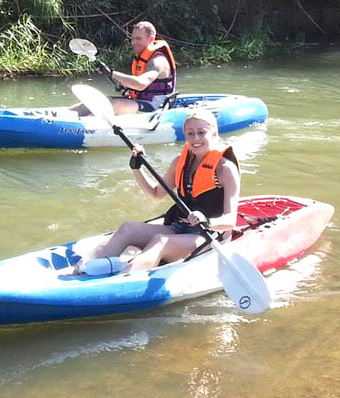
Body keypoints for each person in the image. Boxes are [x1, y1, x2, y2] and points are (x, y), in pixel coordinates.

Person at [73, 109, 241, 274]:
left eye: (201, 132)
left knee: (160, 241)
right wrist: (137, 168)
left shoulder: (225, 169)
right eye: (190, 133)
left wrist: (207, 221)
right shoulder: (180, 163)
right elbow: (155, 194)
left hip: (208, 235)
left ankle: (120, 280)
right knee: (128, 228)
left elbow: (230, 220)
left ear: (214, 133)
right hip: (178, 228)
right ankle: (78, 270)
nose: (195, 138)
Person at [73, 21, 176, 115]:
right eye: (132, 38)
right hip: (140, 103)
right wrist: (126, 89)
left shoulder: (159, 61)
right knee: (94, 101)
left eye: (138, 39)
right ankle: (63, 114)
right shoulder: (143, 58)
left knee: (109, 104)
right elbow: (139, 87)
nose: (133, 42)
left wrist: (112, 73)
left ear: (151, 39)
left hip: (155, 107)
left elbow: (141, 84)